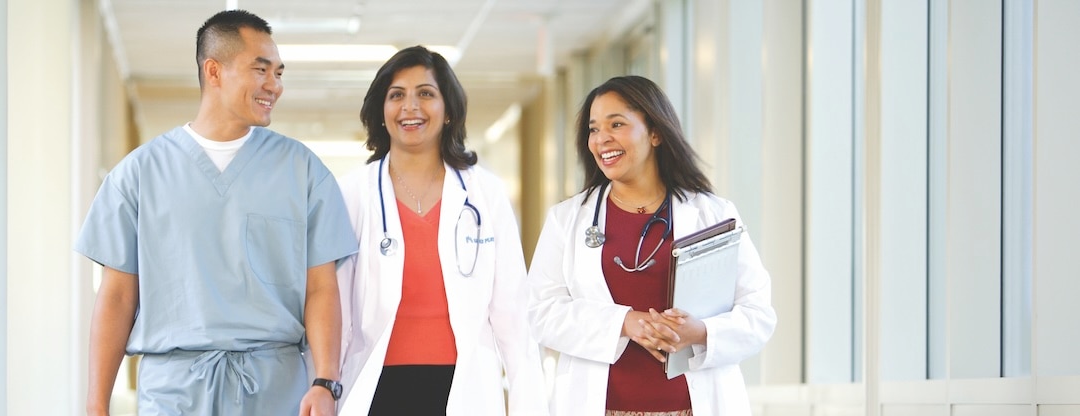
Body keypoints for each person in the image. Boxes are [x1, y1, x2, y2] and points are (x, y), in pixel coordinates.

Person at [75, 10, 356, 416]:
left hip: (274, 390)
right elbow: (117, 296)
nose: (274, 86)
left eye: (279, 73)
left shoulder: (303, 171)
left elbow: (321, 288)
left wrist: (325, 381)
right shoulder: (139, 174)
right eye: (261, 70)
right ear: (214, 71)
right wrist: (96, 403)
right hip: (175, 393)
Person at [527, 75, 776, 416]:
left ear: (656, 133)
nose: (602, 139)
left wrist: (700, 331)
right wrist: (625, 322)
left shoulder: (713, 214)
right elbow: (540, 312)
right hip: (599, 406)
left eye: (617, 124)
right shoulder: (567, 220)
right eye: (594, 128)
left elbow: (759, 313)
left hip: (694, 406)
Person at [335, 46, 548, 415]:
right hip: (375, 385)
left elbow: (513, 314)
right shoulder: (353, 193)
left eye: (426, 94)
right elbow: (335, 309)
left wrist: (529, 404)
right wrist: (323, 384)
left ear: (448, 110)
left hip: (464, 387)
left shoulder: (485, 193)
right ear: (380, 111)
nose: (410, 107)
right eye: (396, 95)